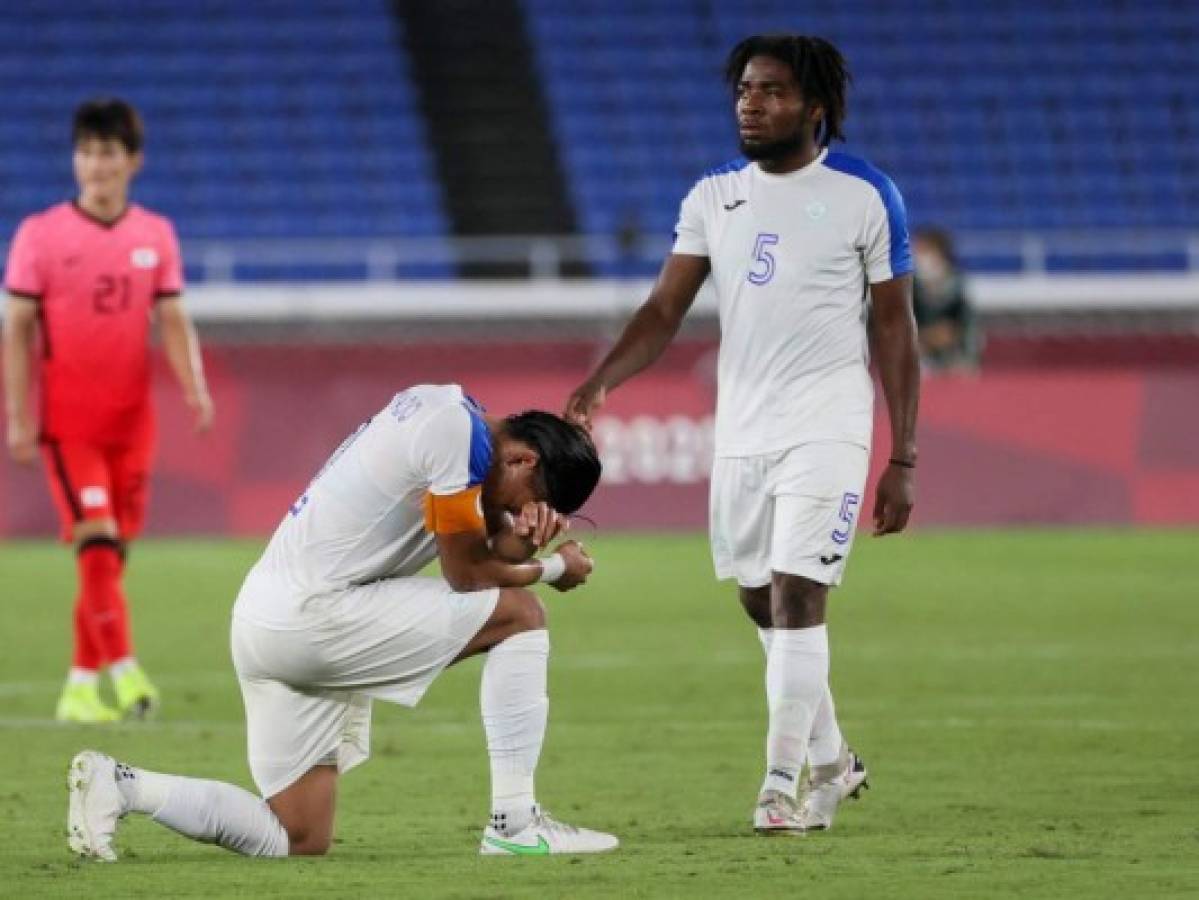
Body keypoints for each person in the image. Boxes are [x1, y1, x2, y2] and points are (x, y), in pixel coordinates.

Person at [566, 34, 920, 834]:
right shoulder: (712, 196)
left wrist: (901, 456)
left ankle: (778, 787)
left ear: (815, 107)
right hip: (743, 431)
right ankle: (834, 760)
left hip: (827, 423)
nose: (751, 105)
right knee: (760, 601)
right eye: (744, 91)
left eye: (771, 92)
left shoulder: (866, 195)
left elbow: (895, 331)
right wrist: (600, 382)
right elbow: (664, 311)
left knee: (799, 592)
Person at [66, 384, 619, 860]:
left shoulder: (450, 420)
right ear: (524, 460)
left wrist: (516, 541)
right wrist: (550, 567)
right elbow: (467, 576)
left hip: (266, 619)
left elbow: (476, 549)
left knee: (297, 833)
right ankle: (515, 826)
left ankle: (121, 787)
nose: (525, 512)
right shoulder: (456, 435)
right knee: (522, 614)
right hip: (315, 618)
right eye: (532, 501)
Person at [3, 97, 213, 723]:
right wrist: (19, 416)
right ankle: (126, 675)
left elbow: (173, 318)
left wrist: (195, 386)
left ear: (132, 161)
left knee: (110, 557)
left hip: (132, 425)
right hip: (69, 425)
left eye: (108, 153)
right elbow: (16, 330)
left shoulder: (155, 234)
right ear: (76, 159)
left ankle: (77, 686)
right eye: (86, 152)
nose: (95, 165)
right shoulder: (40, 235)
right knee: (97, 543)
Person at [912, 227, 980, 373]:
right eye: (917, 251)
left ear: (940, 253)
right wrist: (929, 336)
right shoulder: (911, 288)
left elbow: (967, 327)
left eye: (924, 251)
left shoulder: (957, 286)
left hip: (954, 362)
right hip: (919, 361)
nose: (919, 257)